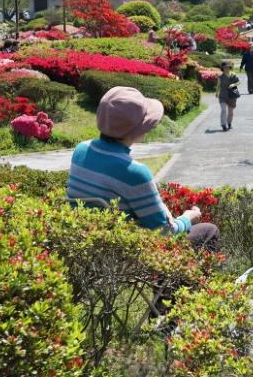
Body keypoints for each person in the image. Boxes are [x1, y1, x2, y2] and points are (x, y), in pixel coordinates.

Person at [67, 86, 219, 249]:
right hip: (127, 252)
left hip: (88, 243)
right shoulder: (135, 172)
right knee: (210, 231)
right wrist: (188, 218)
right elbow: (165, 233)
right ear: (136, 130)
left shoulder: (81, 150)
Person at [217, 59, 240, 131]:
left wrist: (233, 84)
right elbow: (218, 85)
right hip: (223, 95)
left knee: (231, 112)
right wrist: (217, 92)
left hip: (232, 95)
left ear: (230, 68)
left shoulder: (233, 75)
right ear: (222, 68)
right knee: (223, 110)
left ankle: (229, 123)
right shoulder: (220, 76)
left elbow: (239, 82)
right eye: (225, 67)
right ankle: (223, 124)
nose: (226, 69)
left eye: (228, 67)